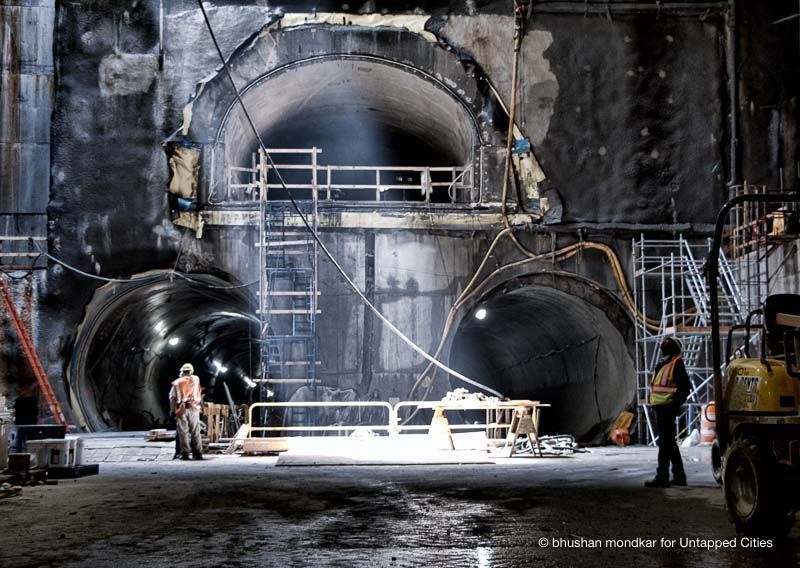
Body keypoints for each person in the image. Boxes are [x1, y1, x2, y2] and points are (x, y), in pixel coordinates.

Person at [645, 337, 690, 488]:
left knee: (665, 443)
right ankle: (679, 476)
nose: (663, 345)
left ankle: (662, 476)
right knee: (669, 442)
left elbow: (685, 387)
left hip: (667, 407)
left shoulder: (676, 363)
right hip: (660, 407)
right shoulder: (663, 364)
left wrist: (674, 405)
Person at [169, 363, 204, 460]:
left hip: (181, 409)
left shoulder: (177, 383)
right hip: (194, 408)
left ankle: (185, 453)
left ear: (182, 371)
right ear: (191, 371)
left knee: (183, 432)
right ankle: (198, 453)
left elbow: (172, 398)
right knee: (196, 431)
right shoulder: (196, 380)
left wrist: (172, 411)